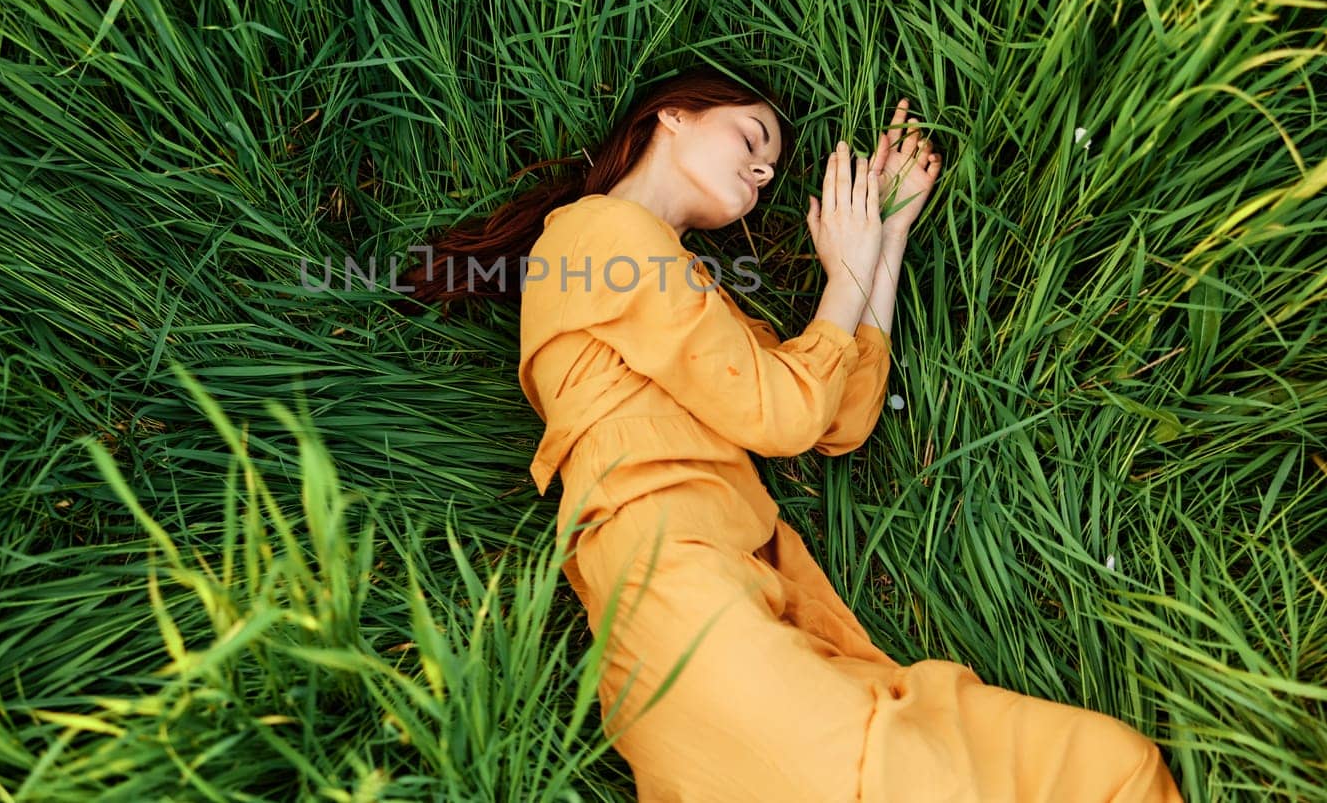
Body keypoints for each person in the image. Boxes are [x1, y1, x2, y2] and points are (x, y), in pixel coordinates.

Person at [401, 66, 1183, 802]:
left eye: (770, 166)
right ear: (671, 114)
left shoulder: (693, 294)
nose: (763, 172)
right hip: (674, 587)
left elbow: (837, 417)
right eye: (750, 140)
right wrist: (842, 276)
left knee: (1095, 768)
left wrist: (882, 243)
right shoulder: (598, 235)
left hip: (716, 600)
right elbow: (784, 411)